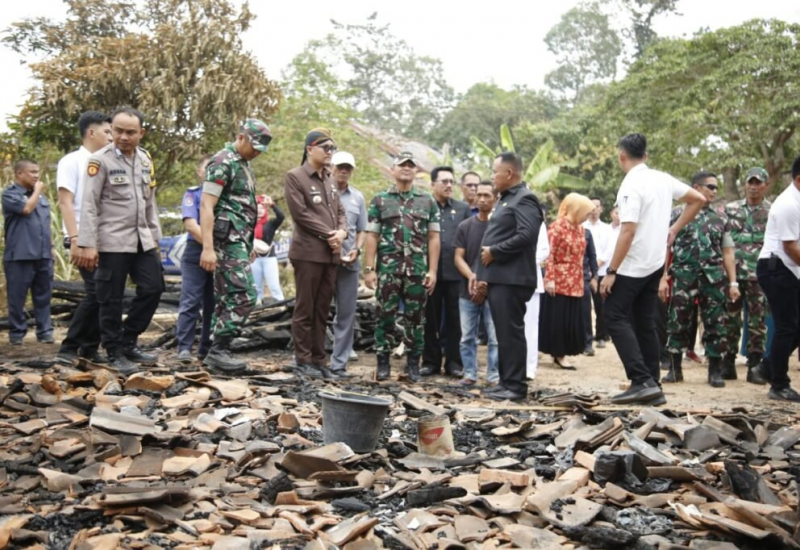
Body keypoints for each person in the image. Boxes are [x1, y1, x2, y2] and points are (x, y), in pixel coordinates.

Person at [600, 133, 705, 405]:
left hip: (632, 264)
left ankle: (640, 379)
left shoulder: (630, 185)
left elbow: (628, 230)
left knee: (613, 314)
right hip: (655, 263)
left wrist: (611, 270)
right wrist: (674, 228)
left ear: (622, 156)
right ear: (645, 156)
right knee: (644, 321)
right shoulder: (662, 178)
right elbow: (698, 199)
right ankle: (653, 384)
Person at [76, 107, 164, 376]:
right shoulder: (99, 161)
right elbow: (89, 204)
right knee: (110, 299)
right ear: (111, 130)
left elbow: (150, 201)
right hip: (112, 241)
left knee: (153, 288)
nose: (123, 137)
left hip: (142, 239)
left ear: (141, 133)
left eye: (130, 132)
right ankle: (113, 350)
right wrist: (88, 243)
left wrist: (155, 237)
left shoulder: (146, 160)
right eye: (118, 130)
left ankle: (128, 341)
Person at [199, 118, 272, 372]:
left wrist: (248, 243)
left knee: (227, 298)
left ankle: (213, 354)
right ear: (241, 138)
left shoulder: (243, 164)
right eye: (254, 147)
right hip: (224, 242)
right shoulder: (222, 162)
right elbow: (206, 205)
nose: (257, 153)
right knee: (246, 295)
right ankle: (219, 348)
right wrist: (207, 248)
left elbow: (243, 209)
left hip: (237, 240)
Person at [365, 151, 440, 382]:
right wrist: (369, 269)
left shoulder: (428, 201)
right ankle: (383, 362)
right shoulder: (380, 200)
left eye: (411, 165)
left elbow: (434, 238)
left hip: (417, 270)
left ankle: (413, 365)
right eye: (402, 165)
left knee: (416, 319)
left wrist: (433, 270)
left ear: (416, 171)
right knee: (385, 316)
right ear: (393, 169)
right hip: (388, 270)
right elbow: (372, 236)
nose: (406, 168)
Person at [660, 171, 740, 388]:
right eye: (710, 187)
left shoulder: (721, 217)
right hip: (684, 276)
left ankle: (715, 370)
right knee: (677, 322)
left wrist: (733, 283)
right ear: (696, 187)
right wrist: (663, 277)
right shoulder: (676, 214)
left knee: (715, 323)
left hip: (713, 279)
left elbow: (728, 252)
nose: (714, 191)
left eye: (716, 187)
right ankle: (674, 369)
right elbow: (664, 248)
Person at [476, 152, 543, 402]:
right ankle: (506, 382)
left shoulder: (525, 199)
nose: (492, 176)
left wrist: (495, 251)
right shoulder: (506, 200)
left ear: (508, 173)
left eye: (495, 171)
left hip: (513, 279)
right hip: (500, 278)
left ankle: (516, 386)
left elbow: (528, 235)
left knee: (511, 332)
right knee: (504, 333)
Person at [284, 129, 348, 379]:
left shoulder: (330, 178)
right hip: (308, 253)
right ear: (310, 149)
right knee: (305, 308)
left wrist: (342, 233)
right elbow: (301, 214)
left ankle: (320, 360)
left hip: (330, 254)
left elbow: (341, 211)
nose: (330, 152)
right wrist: (330, 235)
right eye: (326, 147)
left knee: (323, 310)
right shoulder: (295, 176)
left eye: (333, 147)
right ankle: (303, 360)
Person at [56, 111, 113, 363]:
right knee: (95, 292)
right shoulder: (72, 161)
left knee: (107, 293)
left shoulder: (109, 161)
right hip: (83, 237)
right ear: (91, 132)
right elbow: (65, 203)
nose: (112, 137)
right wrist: (76, 239)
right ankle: (69, 347)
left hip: (107, 238)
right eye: (107, 132)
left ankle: (90, 347)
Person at [755, 154, 800, 402]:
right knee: (786, 327)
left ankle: (767, 367)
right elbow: (790, 247)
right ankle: (779, 385)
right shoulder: (788, 205)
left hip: (790, 269)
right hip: (776, 268)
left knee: (796, 326)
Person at [421, 166, 471, 377]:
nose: (449, 185)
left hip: (455, 274)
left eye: (451, 181)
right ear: (433, 184)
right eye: (444, 181)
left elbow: (469, 239)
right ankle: (430, 362)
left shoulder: (462, 208)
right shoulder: (423, 206)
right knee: (429, 320)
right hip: (429, 272)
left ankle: (454, 363)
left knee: (454, 321)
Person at [723, 167, 770, 384]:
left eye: (757, 183)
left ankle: (754, 366)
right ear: (745, 185)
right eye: (750, 182)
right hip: (733, 273)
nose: (753, 187)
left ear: (765, 185)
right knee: (730, 319)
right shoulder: (731, 210)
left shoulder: (772, 211)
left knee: (757, 322)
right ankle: (728, 363)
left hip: (760, 275)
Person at [539, 194, 596, 369]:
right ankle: (558, 354)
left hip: (576, 280)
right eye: (585, 212)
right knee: (559, 319)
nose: (587, 216)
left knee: (572, 318)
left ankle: (564, 352)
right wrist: (549, 279)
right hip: (559, 280)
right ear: (575, 209)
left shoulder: (580, 230)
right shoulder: (556, 228)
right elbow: (549, 256)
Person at [2, 160, 53, 345]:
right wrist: (38, 191)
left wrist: (51, 249)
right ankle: (17, 333)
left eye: (37, 172)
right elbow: (25, 209)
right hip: (20, 255)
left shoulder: (41, 198)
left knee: (44, 295)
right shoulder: (10, 194)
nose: (36, 176)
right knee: (17, 296)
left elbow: (45, 225)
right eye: (32, 172)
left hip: (43, 254)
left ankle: (45, 331)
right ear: (19, 174)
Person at [453, 181, 499, 385]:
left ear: (495, 198)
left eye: (487, 195)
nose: (482, 199)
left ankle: (493, 376)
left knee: (494, 338)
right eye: (479, 194)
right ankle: (470, 374)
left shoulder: (499, 227)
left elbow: (502, 257)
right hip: (467, 291)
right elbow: (458, 257)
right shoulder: (465, 226)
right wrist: (472, 276)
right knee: (466, 337)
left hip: (494, 290)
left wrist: (486, 282)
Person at [330, 151, 367, 376]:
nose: (344, 171)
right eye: (340, 167)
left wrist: (357, 248)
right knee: (314, 310)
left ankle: (339, 364)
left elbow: (362, 230)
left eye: (348, 168)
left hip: (349, 263)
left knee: (346, 314)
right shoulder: (321, 193)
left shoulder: (358, 198)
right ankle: (309, 361)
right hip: (323, 262)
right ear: (331, 168)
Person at [175, 155, 214, 364]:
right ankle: (184, 348)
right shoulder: (193, 194)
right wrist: (210, 246)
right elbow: (191, 225)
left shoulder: (225, 197)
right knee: (190, 300)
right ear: (200, 172)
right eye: (208, 168)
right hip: (195, 252)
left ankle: (206, 349)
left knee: (214, 304)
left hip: (219, 255)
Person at [583, 198, 613, 352]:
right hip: (584, 273)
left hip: (601, 273)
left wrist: (595, 267)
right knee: (584, 307)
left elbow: (609, 251)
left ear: (601, 209)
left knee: (601, 307)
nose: (594, 210)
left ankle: (601, 335)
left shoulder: (607, 229)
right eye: (591, 207)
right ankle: (585, 338)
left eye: (597, 207)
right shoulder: (581, 227)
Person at [525, 220, 550, 379]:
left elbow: (544, 250)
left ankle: (529, 368)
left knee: (530, 328)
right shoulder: (501, 214)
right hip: (506, 279)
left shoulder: (537, 222)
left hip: (531, 279)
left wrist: (523, 262)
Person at [251, 195, 285, 304]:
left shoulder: (270, 224)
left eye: (262, 209)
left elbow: (281, 216)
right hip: (254, 258)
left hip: (269, 258)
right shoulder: (249, 224)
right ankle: (257, 310)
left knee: (274, 286)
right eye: (257, 209)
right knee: (256, 288)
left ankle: (281, 306)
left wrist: (272, 204)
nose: (260, 211)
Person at [582, 227, 599, 356]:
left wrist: (595, 276)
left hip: (583, 278)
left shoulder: (586, 232)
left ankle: (588, 344)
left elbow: (592, 256)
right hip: (567, 278)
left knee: (585, 312)